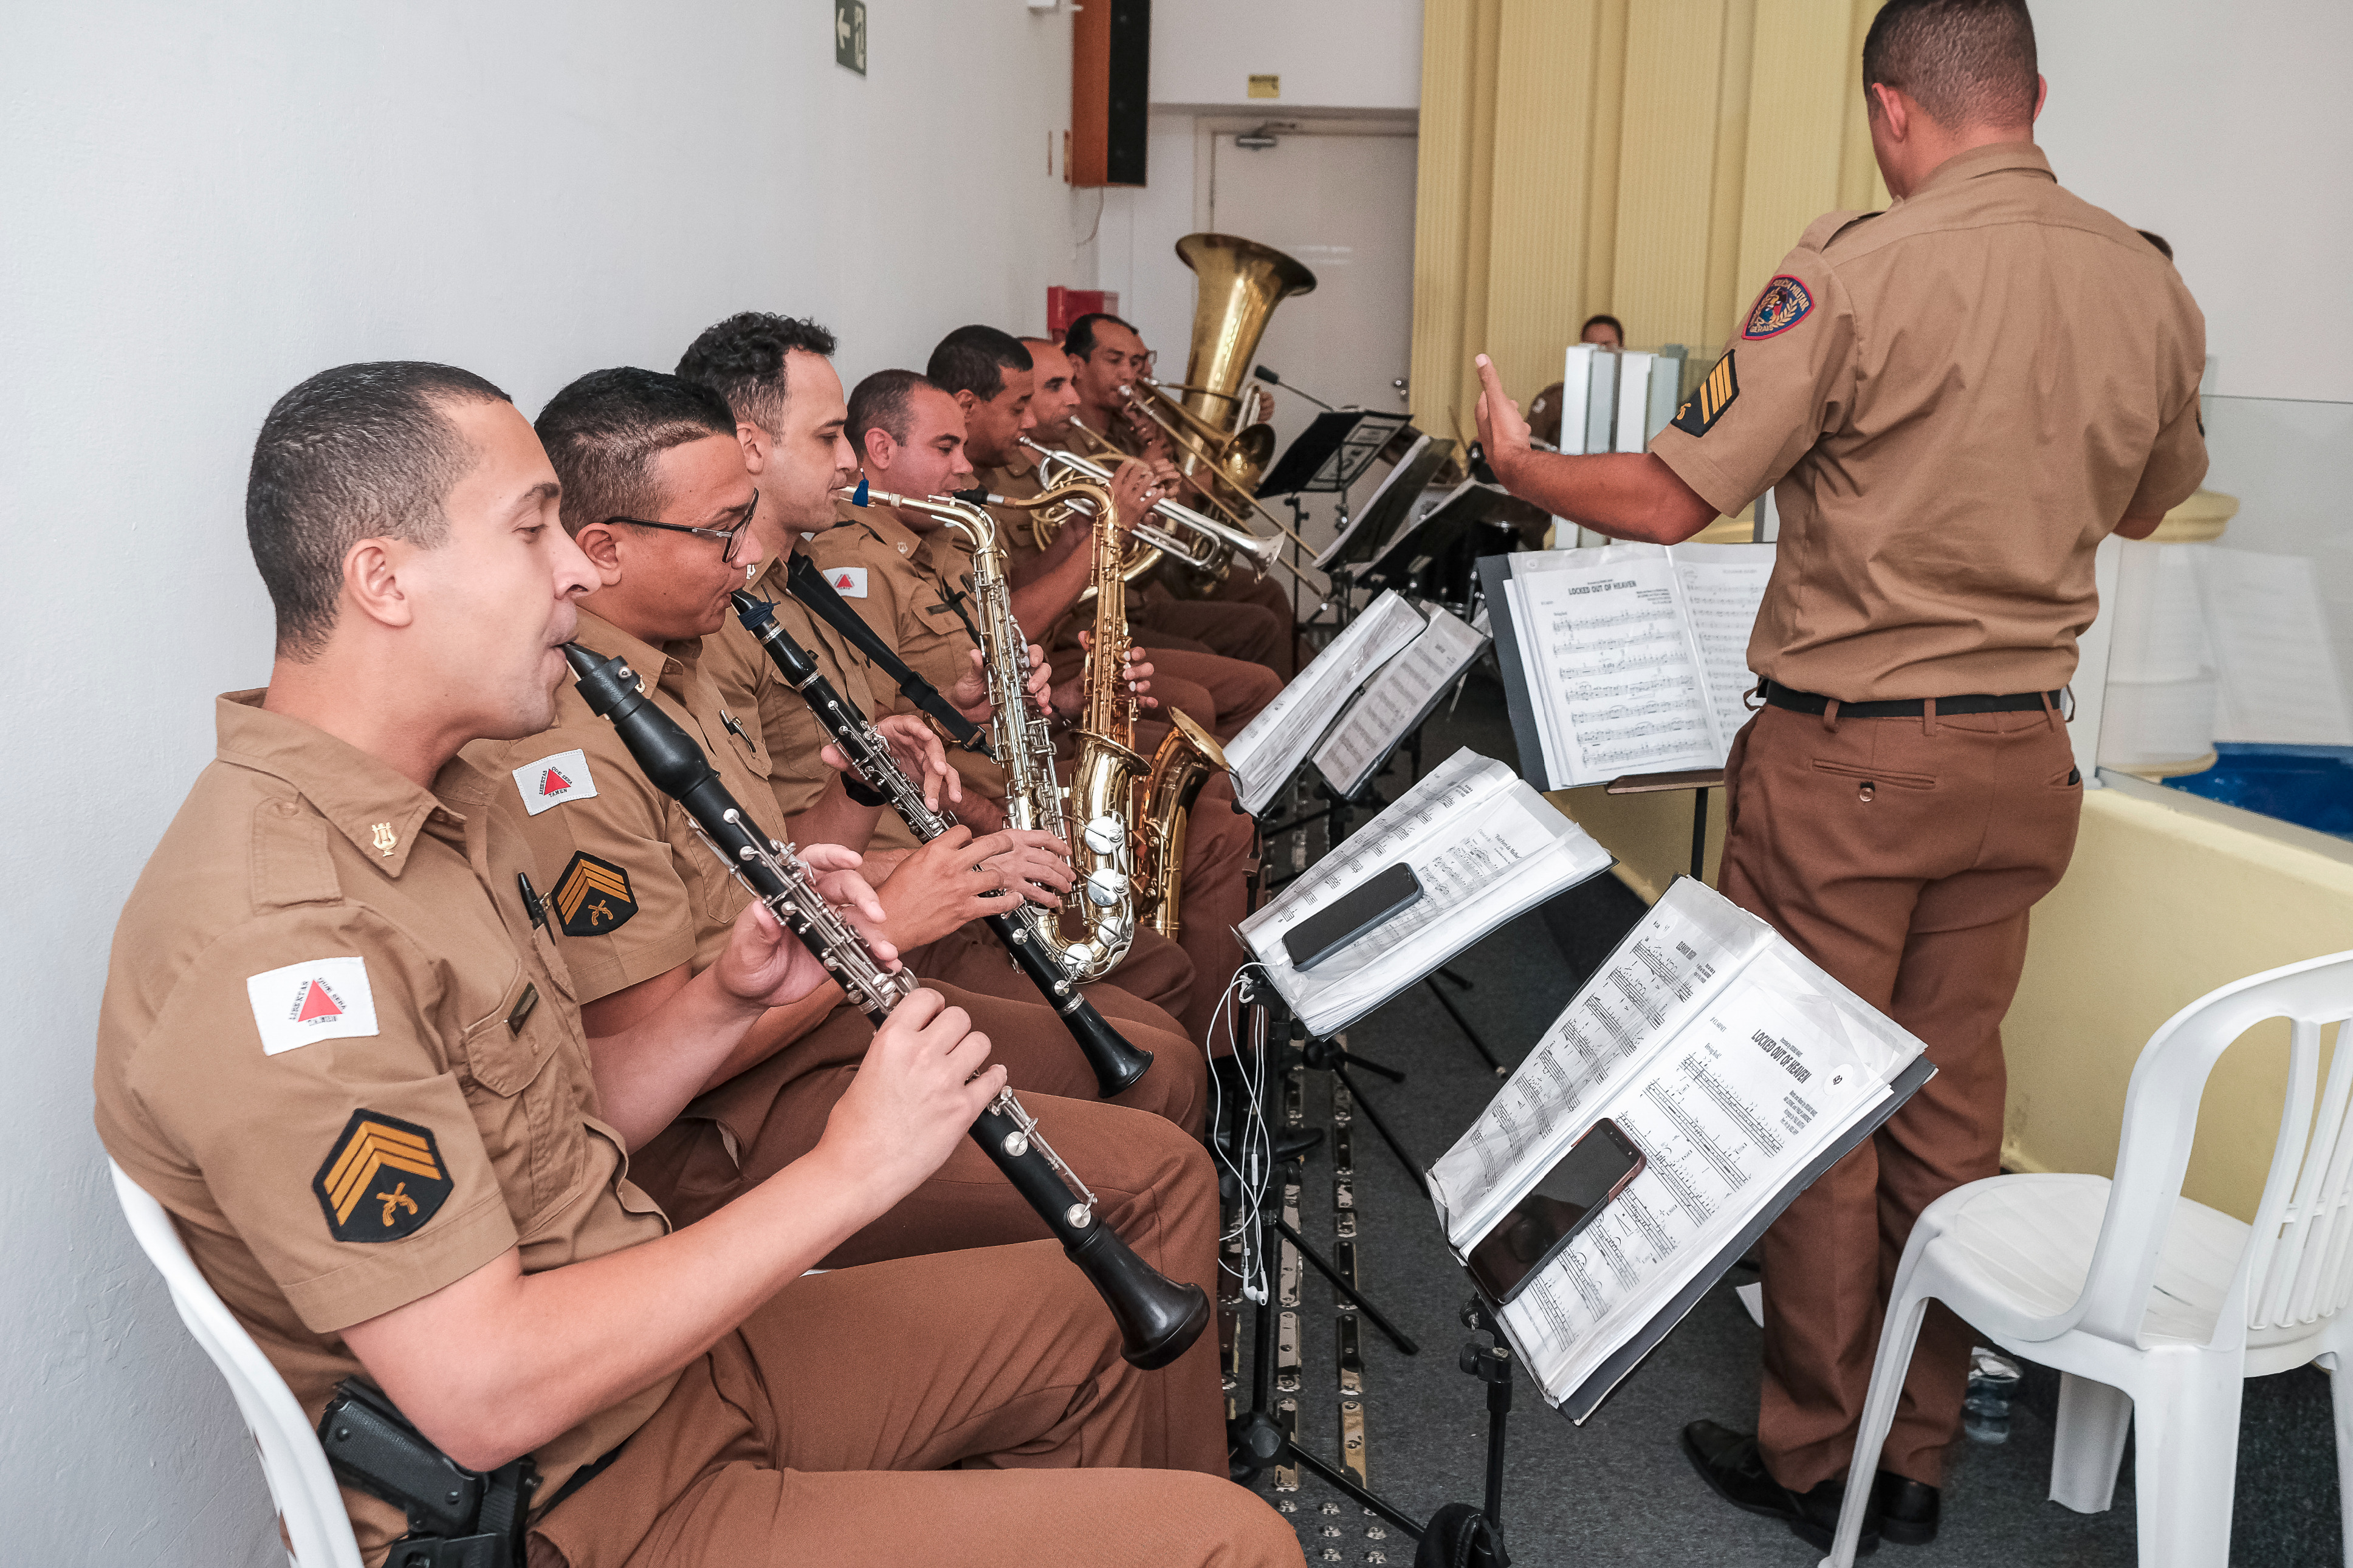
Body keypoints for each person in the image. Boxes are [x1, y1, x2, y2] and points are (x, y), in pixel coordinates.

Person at [94, 360, 1301, 1566]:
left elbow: (584, 1114)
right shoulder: (280, 941)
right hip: (584, 1499)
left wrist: (726, 1002)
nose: (575, 566)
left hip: (674, 1370)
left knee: (1096, 1313)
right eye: (531, 533)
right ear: (384, 580)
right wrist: (852, 1168)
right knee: (1231, 1545)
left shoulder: (447, 805)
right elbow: (486, 1389)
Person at [1470, 0, 2207, 1551]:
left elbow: (1673, 501)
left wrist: (1517, 464)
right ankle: (1918, 1447)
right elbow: (2152, 500)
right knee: (1949, 1096)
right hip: (2024, 759)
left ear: (1890, 112)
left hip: (1850, 763)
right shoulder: (2146, 283)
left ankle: (1819, 1461)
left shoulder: (1854, 272)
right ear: (2033, 97)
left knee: (1809, 1099)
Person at [672, 313, 1200, 1027]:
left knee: (1158, 978)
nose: (850, 461)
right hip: (851, 924)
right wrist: (952, 866)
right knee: (1152, 1033)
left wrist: (957, 711)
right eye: (830, 437)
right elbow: (754, 859)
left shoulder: (804, 578)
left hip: (894, 875)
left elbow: (867, 751)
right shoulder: (729, 612)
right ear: (750, 447)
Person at [812, 368, 1262, 1045]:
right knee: (1162, 966)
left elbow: (950, 699)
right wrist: (1003, 825)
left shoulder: (944, 536)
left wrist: (1071, 700)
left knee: (1212, 833)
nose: (963, 467)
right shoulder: (852, 565)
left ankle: (1223, 1067)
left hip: (998, 793)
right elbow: (881, 753)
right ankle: (1210, 1081)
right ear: (880, 449)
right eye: (944, 449)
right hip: (943, 840)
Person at [934, 325, 1281, 730]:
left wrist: (1076, 537)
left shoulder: (980, 481)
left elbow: (1010, 586)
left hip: (1060, 637)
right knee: (1198, 702)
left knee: (1253, 648)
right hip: (1047, 648)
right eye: (1020, 406)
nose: (1029, 420)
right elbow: (1007, 619)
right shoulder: (958, 491)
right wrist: (1104, 537)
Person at [1062, 311, 1300, 666]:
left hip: (1149, 579)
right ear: (1076, 365)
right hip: (1119, 591)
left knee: (1268, 595)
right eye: (1115, 361)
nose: (1131, 375)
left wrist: (1244, 424)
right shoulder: (1068, 439)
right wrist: (1148, 474)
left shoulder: (1130, 425)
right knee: (1250, 625)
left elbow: (1181, 514)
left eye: (1138, 362)